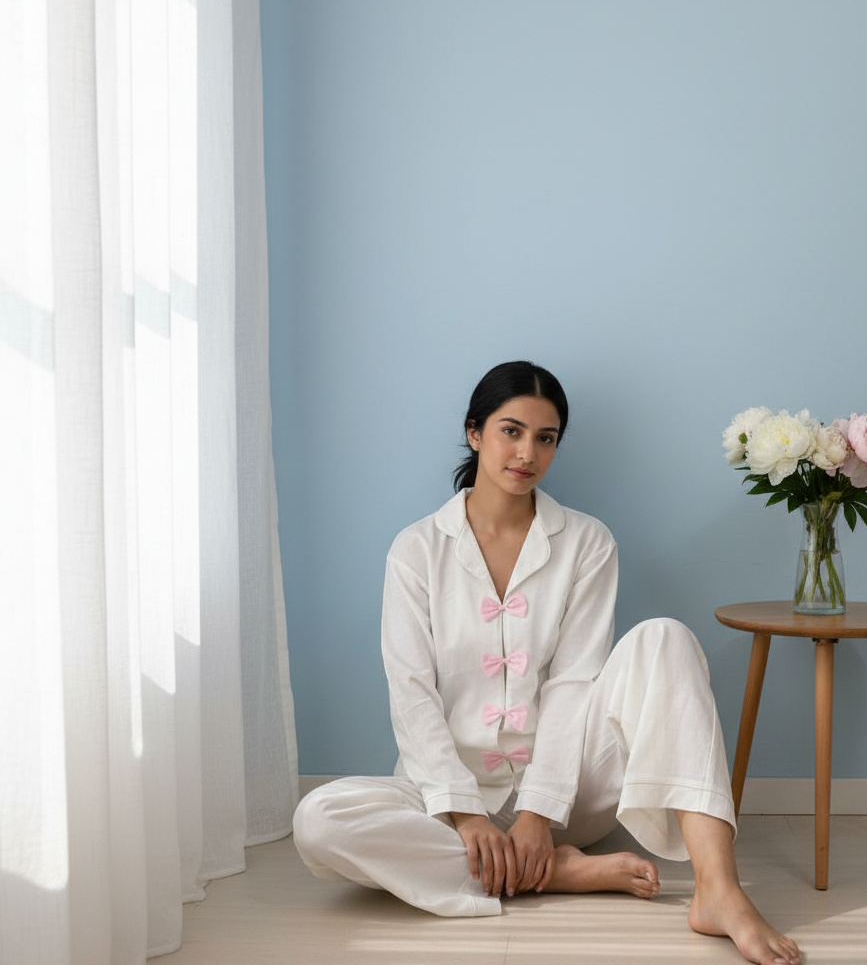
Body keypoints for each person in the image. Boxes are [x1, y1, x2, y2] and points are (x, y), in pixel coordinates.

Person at [293, 361, 801, 965]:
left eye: (546, 437)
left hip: (566, 798)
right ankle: (551, 875)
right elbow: (410, 692)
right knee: (318, 821)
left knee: (665, 637)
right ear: (474, 432)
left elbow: (573, 683)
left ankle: (719, 890)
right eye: (511, 431)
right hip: (445, 801)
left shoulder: (587, 542)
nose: (527, 452)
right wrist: (464, 813)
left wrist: (536, 814)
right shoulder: (417, 549)